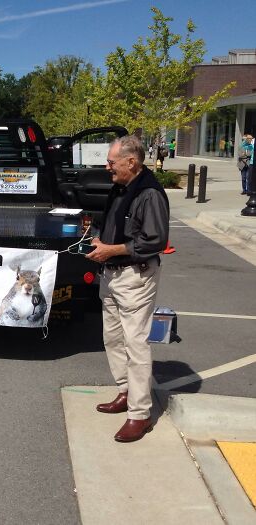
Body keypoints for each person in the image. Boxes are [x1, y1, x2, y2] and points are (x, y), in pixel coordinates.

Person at [86, 135, 169, 443]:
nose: (108, 168)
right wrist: (98, 242)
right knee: (113, 337)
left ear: (131, 162)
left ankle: (140, 413)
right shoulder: (122, 187)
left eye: (111, 163)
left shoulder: (149, 194)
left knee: (135, 344)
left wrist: (112, 250)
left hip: (135, 276)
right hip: (112, 273)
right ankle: (125, 390)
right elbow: (111, 223)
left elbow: (155, 240)